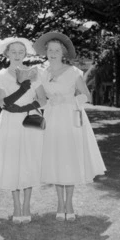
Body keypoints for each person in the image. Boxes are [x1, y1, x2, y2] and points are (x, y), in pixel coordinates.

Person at [33, 32, 106, 221]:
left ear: (63, 53)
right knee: (56, 159)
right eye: (50, 50)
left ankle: (70, 204)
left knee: (69, 160)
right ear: (46, 53)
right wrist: (44, 103)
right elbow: (40, 100)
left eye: (57, 50)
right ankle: (59, 204)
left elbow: (86, 96)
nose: (53, 53)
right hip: (51, 119)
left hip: (70, 118)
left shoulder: (73, 72)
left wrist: (67, 99)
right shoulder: (41, 73)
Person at [0, 37, 47, 224]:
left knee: (29, 162)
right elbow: (4, 103)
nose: (17, 55)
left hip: (30, 120)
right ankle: (16, 207)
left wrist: (28, 106)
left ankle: (26, 206)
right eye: (14, 52)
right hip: (10, 121)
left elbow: (42, 99)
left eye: (21, 52)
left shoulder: (34, 73)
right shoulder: (1, 75)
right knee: (13, 163)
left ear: (25, 54)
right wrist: (22, 89)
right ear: (7, 54)